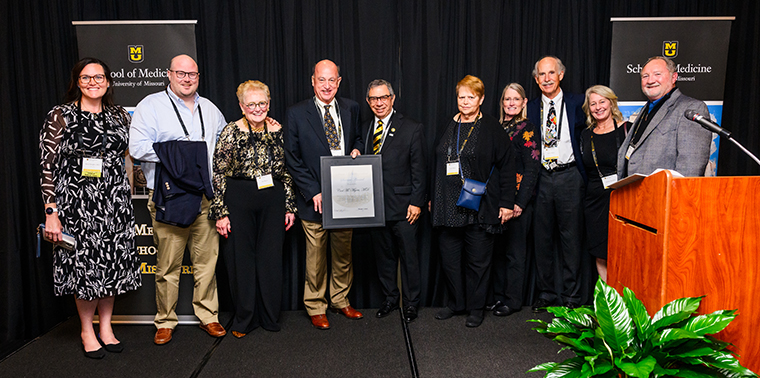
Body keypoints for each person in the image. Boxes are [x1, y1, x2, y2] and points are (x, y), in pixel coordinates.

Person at [39, 57, 142, 359]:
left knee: (110, 265)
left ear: (108, 82)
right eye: (86, 78)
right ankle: (87, 330)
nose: (93, 82)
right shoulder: (61, 115)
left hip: (115, 201)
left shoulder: (120, 115)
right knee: (84, 268)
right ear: (77, 82)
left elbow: (134, 151)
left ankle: (106, 327)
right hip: (76, 202)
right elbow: (47, 165)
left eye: (99, 77)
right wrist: (51, 211)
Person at [130, 54, 227, 345]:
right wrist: (182, 156)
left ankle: (209, 316)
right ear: (169, 74)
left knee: (207, 262)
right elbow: (136, 147)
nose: (187, 79)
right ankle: (165, 321)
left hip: (204, 198)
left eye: (193, 74)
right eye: (181, 73)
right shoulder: (151, 106)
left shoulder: (209, 108)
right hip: (169, 197)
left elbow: (225, 142)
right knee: (168, 265)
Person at [209, 80, 297, 338]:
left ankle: (270, 317)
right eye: (251, 104)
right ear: (241, 105)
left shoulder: (278, 130)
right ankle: (245, 318)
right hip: (239, 198)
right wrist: (221, 212)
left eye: (262, 103)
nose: (257, 108)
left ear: (268, 104)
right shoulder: (230, 132)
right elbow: (219, 173)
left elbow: (286, 172)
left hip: (272, 199)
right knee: (241, 260)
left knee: (270, 259)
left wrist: (289, 206)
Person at [284, 60, 365, 330]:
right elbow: (292, 158)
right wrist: (312, 190)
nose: (327, 85)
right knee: (316, 256)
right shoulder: (296, 113)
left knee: (343, 252)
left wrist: (356, 150)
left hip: (345, 195)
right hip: (314, 198)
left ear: (339, 82)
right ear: (313, 81)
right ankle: (316, 306)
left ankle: (340, 300)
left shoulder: (352, 108)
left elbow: (358, 139)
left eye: (332, 80)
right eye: (322, 80)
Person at [430, 75, 516, 328]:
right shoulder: (450, 123)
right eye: (461, 97)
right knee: (450, 259)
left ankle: (477, 308)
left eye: (471, 97)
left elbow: (508, 165)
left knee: (478, 261)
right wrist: (432, 198)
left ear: (481, 99)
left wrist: (507, 203)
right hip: (447, 204)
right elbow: (437, 161)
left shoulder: (490, 127)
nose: (465, 101)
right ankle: (457, 303)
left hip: (478, 204)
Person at [526, 56, 587, 312]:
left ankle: (572, 295)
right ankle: (546, 292)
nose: (547, 78)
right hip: (541, 178)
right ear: (537, 79)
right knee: (542, 239)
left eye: (551, 73)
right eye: (542, 74)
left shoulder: (578, 102)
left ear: (561, 74)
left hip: (569, 176)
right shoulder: (530, 107)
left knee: (571, 238)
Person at [363, 79, 426, 323]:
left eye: (383, 98)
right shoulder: (366, 129)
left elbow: (419, 169)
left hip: (404, 207)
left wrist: (417, 202)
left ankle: (411, 304)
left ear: (392, 98)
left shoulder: (411, 127)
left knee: (409, 258)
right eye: (373, 99)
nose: (379, 103)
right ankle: (390, 299)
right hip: (375, 207)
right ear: (368, 102)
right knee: (384, 257)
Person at [487, 83, 540, 317]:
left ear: (524, 102)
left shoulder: (527, 128)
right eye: (507, 99)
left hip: (518, 202)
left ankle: (513, 300)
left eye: (515, 99)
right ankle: (499, 297)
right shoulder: (498, 127)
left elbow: (532, 168)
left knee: (515, 253)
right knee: (498, 252)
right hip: (498, 201)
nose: (511, 103)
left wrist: (520, 202)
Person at [618, 56, 712, 178]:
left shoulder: (691, 108)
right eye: (645, 76)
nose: (650, 80)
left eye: (657, 74)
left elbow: (690, 167)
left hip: (664, 194)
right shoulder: (646, 109)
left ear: (674, 77)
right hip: (633, 192)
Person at [580, 85, 628, 282]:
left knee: (622, 250)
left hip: (622, 197)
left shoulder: (627, 129)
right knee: (600, 252)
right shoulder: (585, 135)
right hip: (594, 200)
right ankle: (610, 300)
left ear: (611, 103)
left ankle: (626, 298)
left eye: (602, 101)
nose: (598, 107)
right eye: (593, 103)